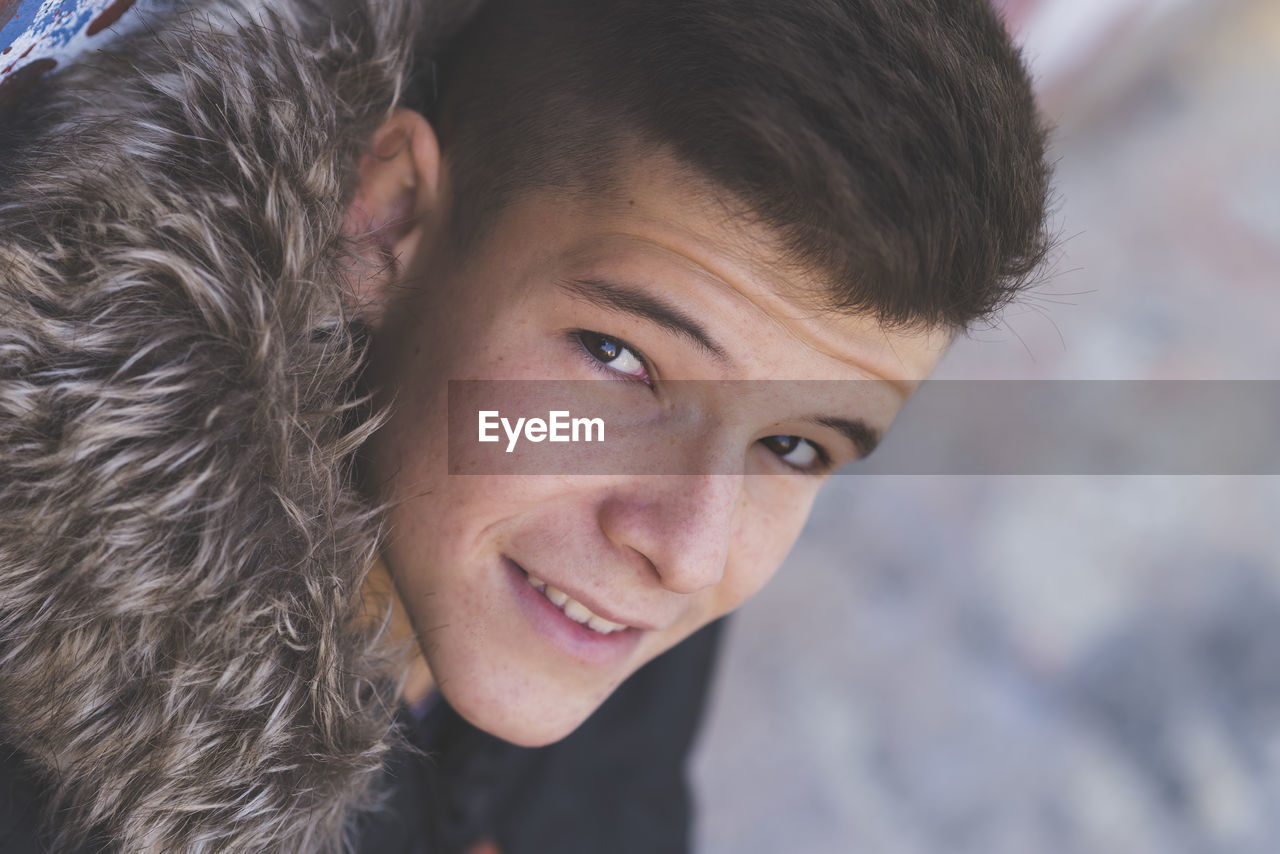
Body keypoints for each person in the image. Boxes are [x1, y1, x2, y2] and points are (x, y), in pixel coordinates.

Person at [0, 0, 1052, 851]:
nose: (685, 550)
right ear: (384, 217)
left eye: (794, 446)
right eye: (619, 359)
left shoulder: (614, 545)